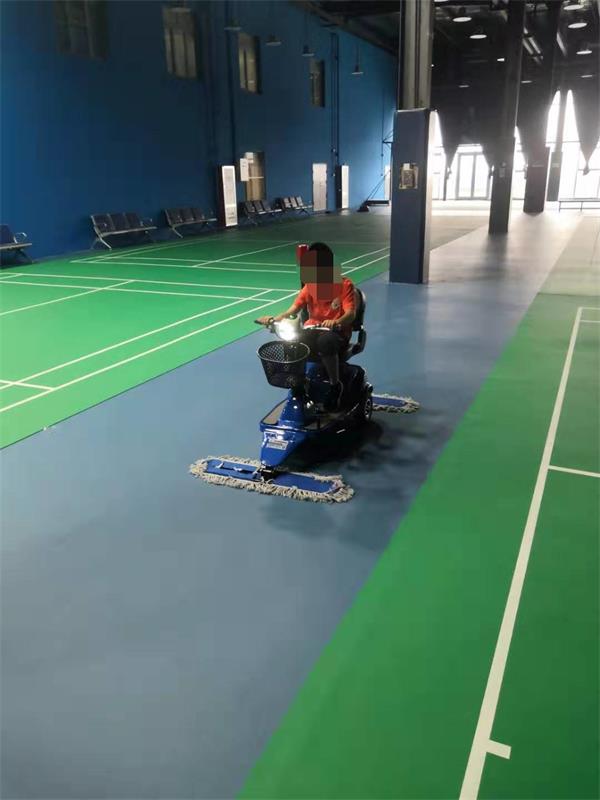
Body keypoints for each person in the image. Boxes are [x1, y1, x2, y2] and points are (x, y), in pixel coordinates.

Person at [257, 242, 356, 408]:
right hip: (313, 329)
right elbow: (294, 309)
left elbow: (351, 313)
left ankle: (335, 385)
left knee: (326, 341)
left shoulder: (344, 284)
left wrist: (336, 322)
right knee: (292, 342)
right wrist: (275, 319)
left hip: (336, 332)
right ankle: (298, 383)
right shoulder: (310, 286)